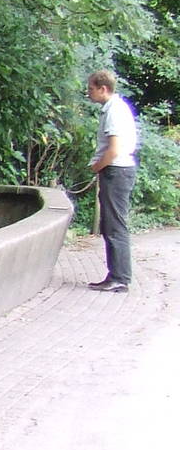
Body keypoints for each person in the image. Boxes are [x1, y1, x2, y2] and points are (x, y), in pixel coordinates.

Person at [85, 68, 139, 292]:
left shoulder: (115, 110)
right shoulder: (112, 108)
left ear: (103, 89)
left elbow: (114, 149)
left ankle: (120, 277)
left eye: (91, 89)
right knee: (110, 224)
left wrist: (97, 166)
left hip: (116, 172)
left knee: (115, 225)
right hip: (116, 172)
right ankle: (115, 274)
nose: (88, 93)